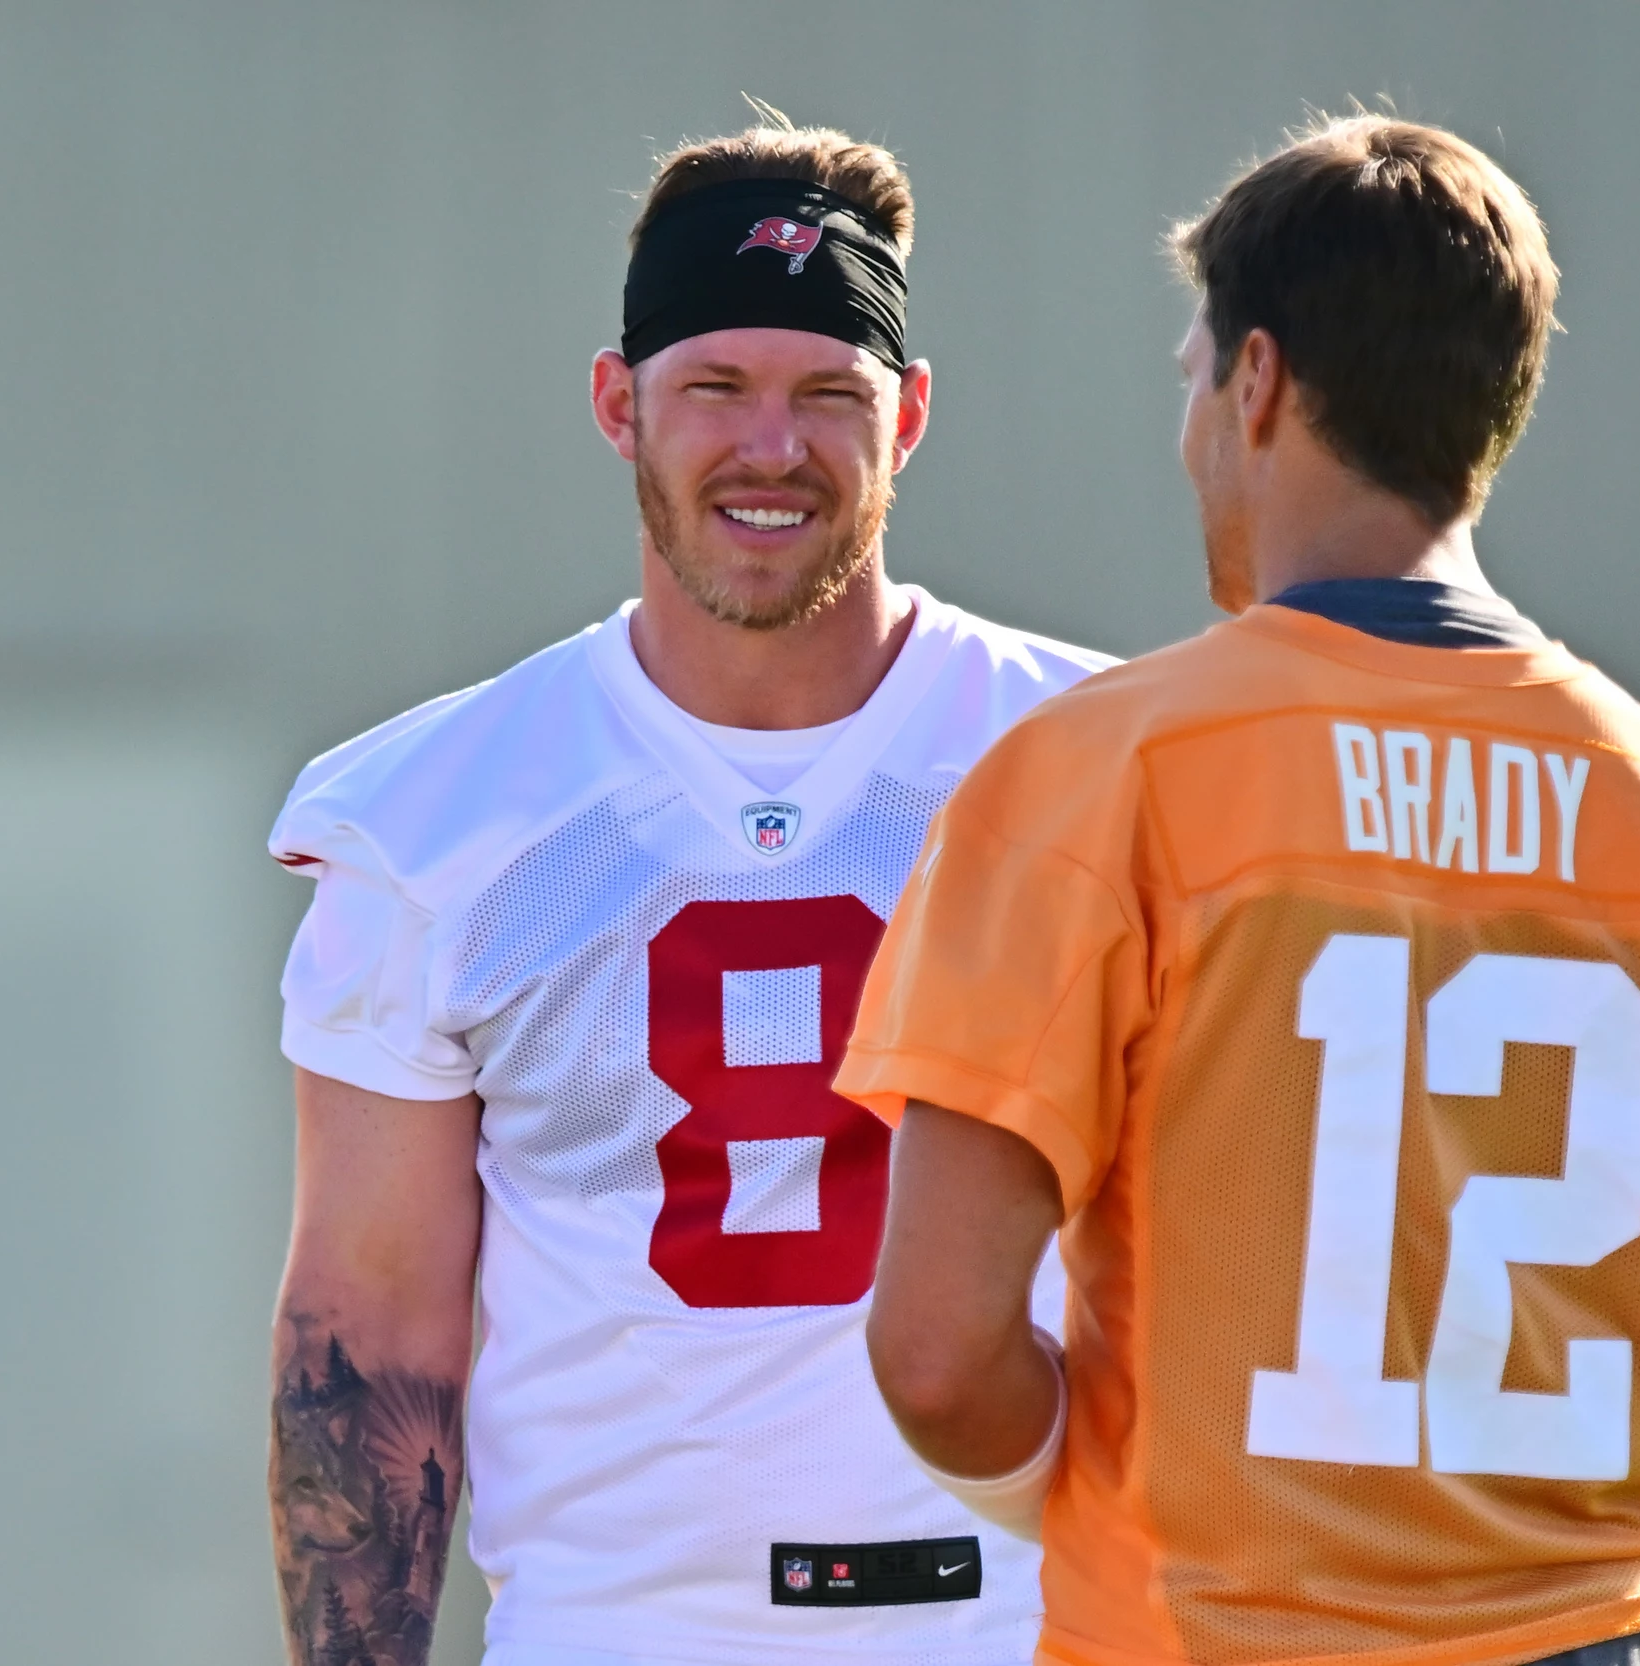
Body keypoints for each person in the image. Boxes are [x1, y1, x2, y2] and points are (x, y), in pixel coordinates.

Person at [844, 115, 1640, 1666]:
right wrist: (1497, 1446)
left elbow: (938, 1352)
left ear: (1256, 381)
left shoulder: (1096, 777)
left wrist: (1116, 1490)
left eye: (1195, 372)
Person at [265, 113, 1110, 1666]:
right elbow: (368, 1333)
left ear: (910, 415)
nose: (770, 447)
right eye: (715, 387)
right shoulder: (448, 814)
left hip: (1029, 1622)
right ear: (618, 402)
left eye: (828, 395)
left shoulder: (1098, 767)